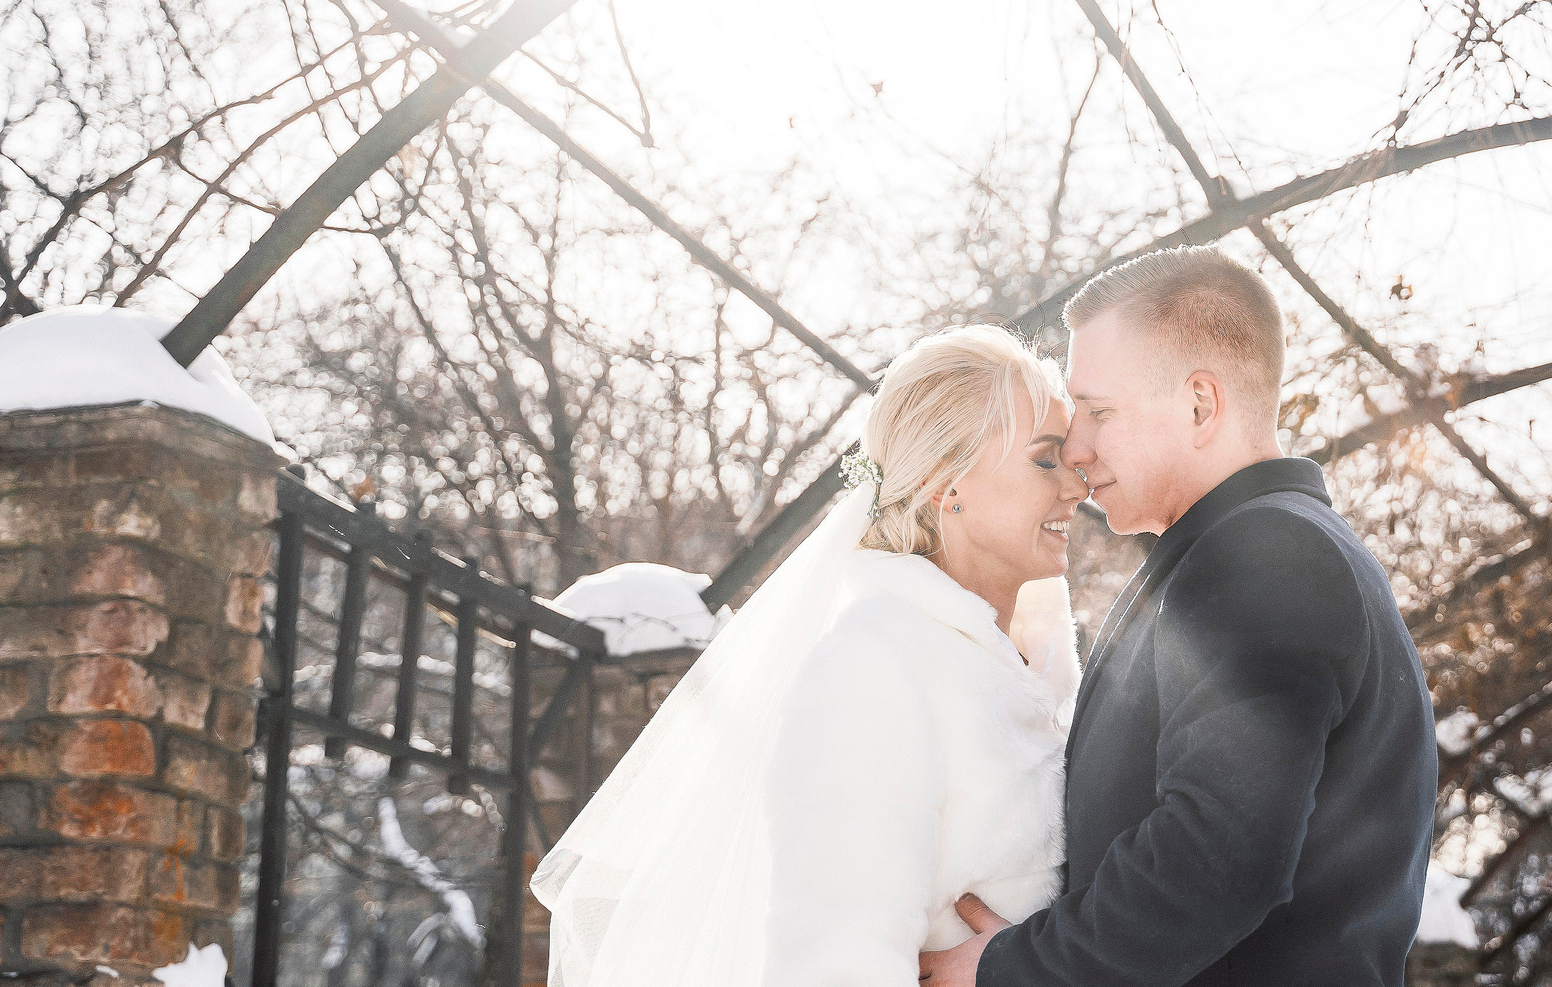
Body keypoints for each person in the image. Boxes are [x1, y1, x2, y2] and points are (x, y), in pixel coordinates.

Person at [920, 247, 1439, 987]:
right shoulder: (1250, 551)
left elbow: (1218, 850)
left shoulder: (1268, 555)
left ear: (1201, 405)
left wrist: (1018, 968)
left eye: (1098, 412)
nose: (1076, 447)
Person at [533, 324, 1087, 987]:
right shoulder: (877, 664)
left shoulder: (1036, 667)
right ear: (948, 482)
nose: (1077, 485)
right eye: (1047, 459)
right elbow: (837, 958)